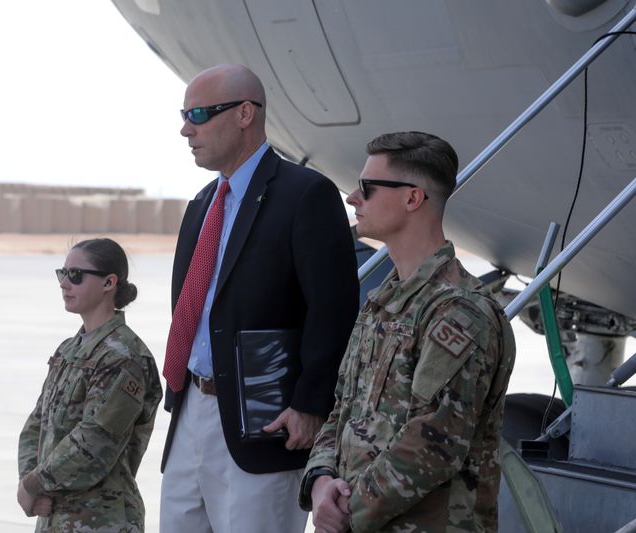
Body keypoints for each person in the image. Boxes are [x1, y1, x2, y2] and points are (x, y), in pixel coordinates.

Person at [159, 64, 359, 532]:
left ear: (245, 113)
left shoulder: (305, 194)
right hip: (190, 410)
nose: (186, 128)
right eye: (185, 115)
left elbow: (333, 310)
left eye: (199, 114)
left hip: (264, 423)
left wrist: (311, 404)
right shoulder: (202, 203)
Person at [300, 131, 517, 532]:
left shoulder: (459, 311)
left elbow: (434, 444)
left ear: (412, 198)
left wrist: (348, 511)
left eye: (367, 187)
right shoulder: (385, 299)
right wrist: (320, 480)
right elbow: (343, 408)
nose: (353, 197)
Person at [17, 238, 162, 532]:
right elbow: (36, 424)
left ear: (109, 283)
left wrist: (34, 484)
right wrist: (30, 485)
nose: (64, 283)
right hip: (55, 516)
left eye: (76, 275)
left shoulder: (123, 356)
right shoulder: (69, 350)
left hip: (101, 520)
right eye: (63, 273)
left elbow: (96, 440)